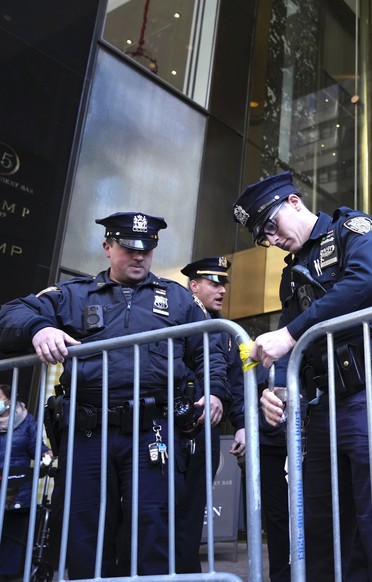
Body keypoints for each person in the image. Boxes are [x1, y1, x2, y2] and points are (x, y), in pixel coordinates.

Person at [0, 211, 229, 578]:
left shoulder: (177, 300)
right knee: (83, 532)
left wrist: (215, 392)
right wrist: (39, 328)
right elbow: (10, 313)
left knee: (153, 527)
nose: (139, 256)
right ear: (108, 248)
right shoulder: (73, 295)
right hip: (88, 433)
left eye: (147, 249)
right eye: (128, 248)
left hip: (152, 431)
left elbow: (208, 349)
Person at [233, 171, 372, 581]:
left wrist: (291, 333)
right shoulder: (292, 273)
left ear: (295, 202)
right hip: (323, 408)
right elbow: (289, 343)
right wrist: (277, 389)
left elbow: (367, 281)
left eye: (271, 224)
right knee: (321, 530)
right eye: (262, 235)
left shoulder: (353, 229)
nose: (271, 238)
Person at [175, 256, 246, 573]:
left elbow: (238, 384)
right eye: (213, 283)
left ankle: (187, 570)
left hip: (205, 433)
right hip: (167, 427)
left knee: (193, 507)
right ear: (193, 286)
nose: (221, 290)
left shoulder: (228, 332)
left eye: (223, 284)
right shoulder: (174, 320)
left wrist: (243, 424)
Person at [0, 384, 50, 580]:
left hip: (18, 489)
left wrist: (45, 456)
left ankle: (8, 576)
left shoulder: (27, 421)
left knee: (13, 538)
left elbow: (37, 448)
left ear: (9, 401)